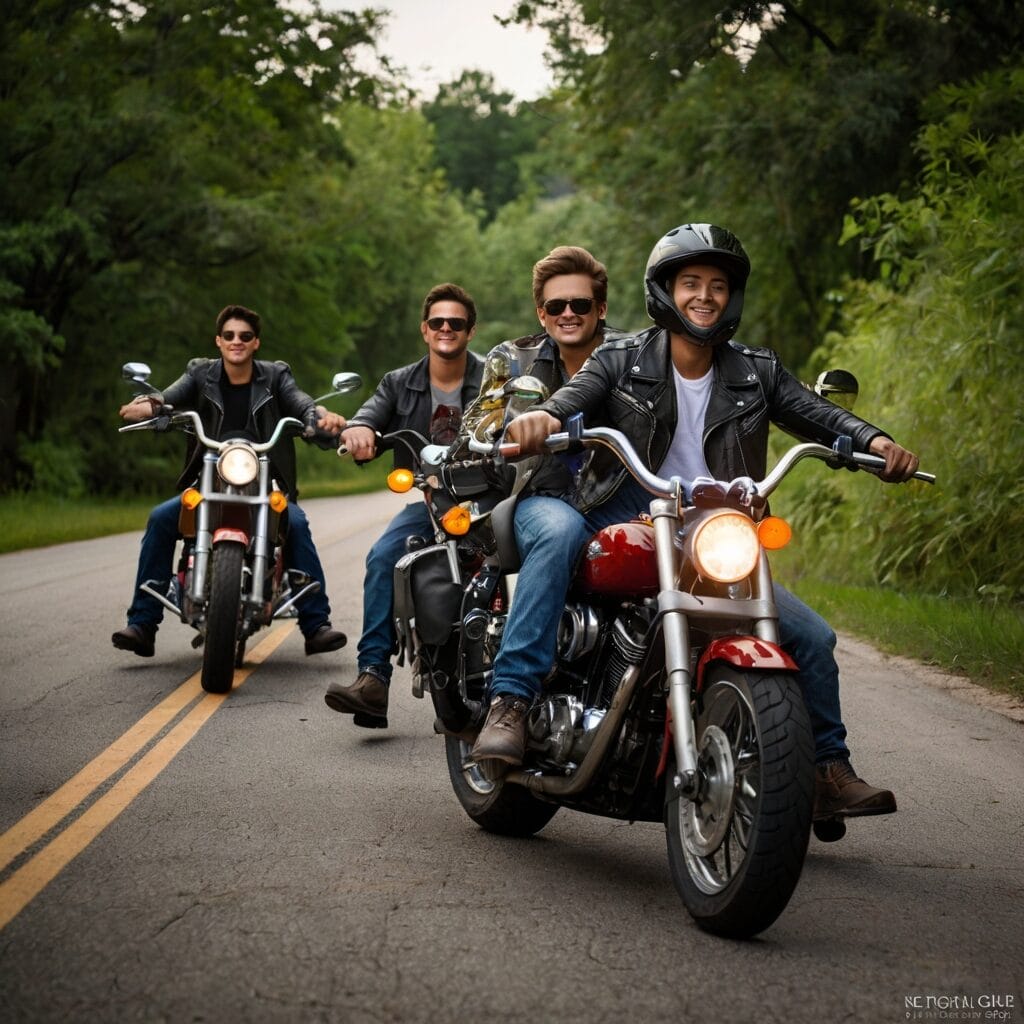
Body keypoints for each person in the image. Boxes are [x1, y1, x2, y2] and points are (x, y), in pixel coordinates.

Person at [473, 222, 920, 824]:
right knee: (555, 537)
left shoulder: (756, 370)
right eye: (690, 283)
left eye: (717, 285)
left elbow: (815, 414)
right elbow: (572, 398)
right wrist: (540, 420)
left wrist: (875, 441)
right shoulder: (622, 357)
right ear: (666, 292)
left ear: (732, 297)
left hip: (711, 527)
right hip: (628, 507)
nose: (704, 296)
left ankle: (825, 770)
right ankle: (513, 700)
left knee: (811, 637)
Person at [112, 304, 348, 659]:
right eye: (229, 336)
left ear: (256, 343)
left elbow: (301, 403)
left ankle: (316, 626)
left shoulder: (275, 376)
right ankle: (143, 624)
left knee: (295, 521)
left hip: (266, 484)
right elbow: (168, 398)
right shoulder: (199, 373)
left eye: (245, 336)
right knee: (162, 518)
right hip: (208, 482)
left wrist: (319, 417)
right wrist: (148, 406)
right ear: (218, 341)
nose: (237, 341)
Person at [324, 283, 485, 728]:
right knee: (383, 559)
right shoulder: (399, 383)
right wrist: (359, 431)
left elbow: (518, 414)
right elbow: (370, 414)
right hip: (432, 504)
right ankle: (373, 678)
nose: (446, 329)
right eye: (438, 322)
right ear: (425, 330)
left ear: (471, 331)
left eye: (456, 323)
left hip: (486, 504)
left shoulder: (493, 378)